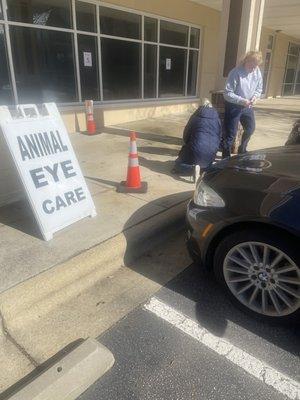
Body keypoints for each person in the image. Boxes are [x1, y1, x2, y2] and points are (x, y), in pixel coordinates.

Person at [223, 51, 263, 158]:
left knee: (250, 128)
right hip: (233, 106)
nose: (254, 69)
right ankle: (225, 157)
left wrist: (255, 97)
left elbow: (259, 88)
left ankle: (242, 150)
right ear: (246, 61)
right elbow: (227, 94)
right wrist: (242, 101)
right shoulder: (235, 72)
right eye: (252, 66)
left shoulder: (257, 71)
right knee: (230, 134)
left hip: (248, 106)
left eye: (256, 66)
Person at [172, 99, 222, 180]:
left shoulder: (195, 117)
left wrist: (187, 144)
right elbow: (219, 136)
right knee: (205, 164)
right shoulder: (217, 119)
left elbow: (186, 134)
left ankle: (192, 169)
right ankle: (205, 169)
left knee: (177, 164)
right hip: (212, 150)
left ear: (201, 106)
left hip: (196, 148)